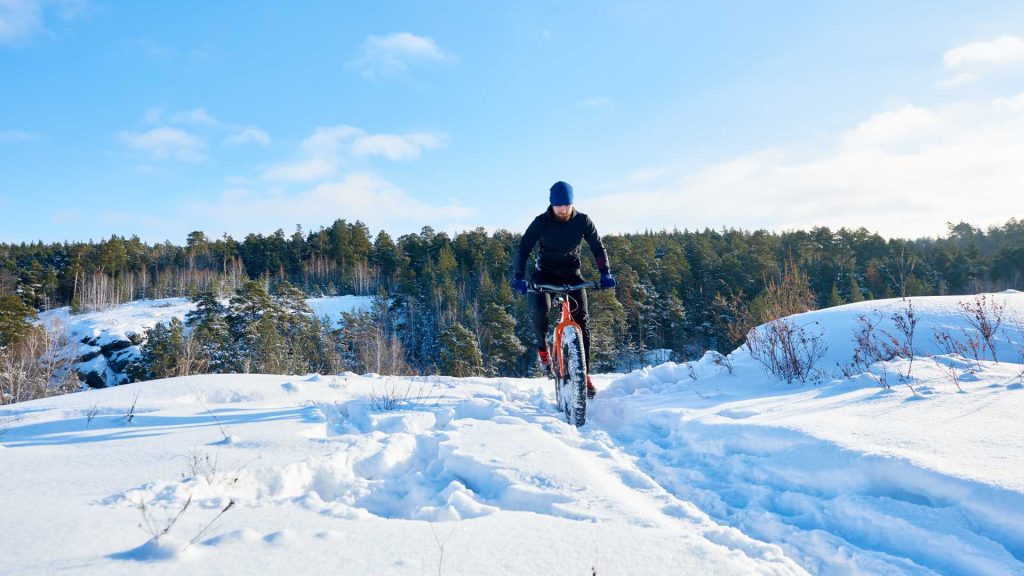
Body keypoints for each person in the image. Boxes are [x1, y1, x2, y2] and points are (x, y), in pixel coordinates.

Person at [511, 181, 616, 399]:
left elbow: (597, 246)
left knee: (582, 322)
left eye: (566, 204)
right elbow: (524, 247)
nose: (563, 209)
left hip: (571, 274)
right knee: (541, 311)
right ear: (551, 204)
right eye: (558, 205)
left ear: (572, 203)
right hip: (545, 274)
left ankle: (584, 375)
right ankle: (543, 350)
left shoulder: (582, 221)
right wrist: (519, 277)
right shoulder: (541, 222)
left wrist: (605, 272)